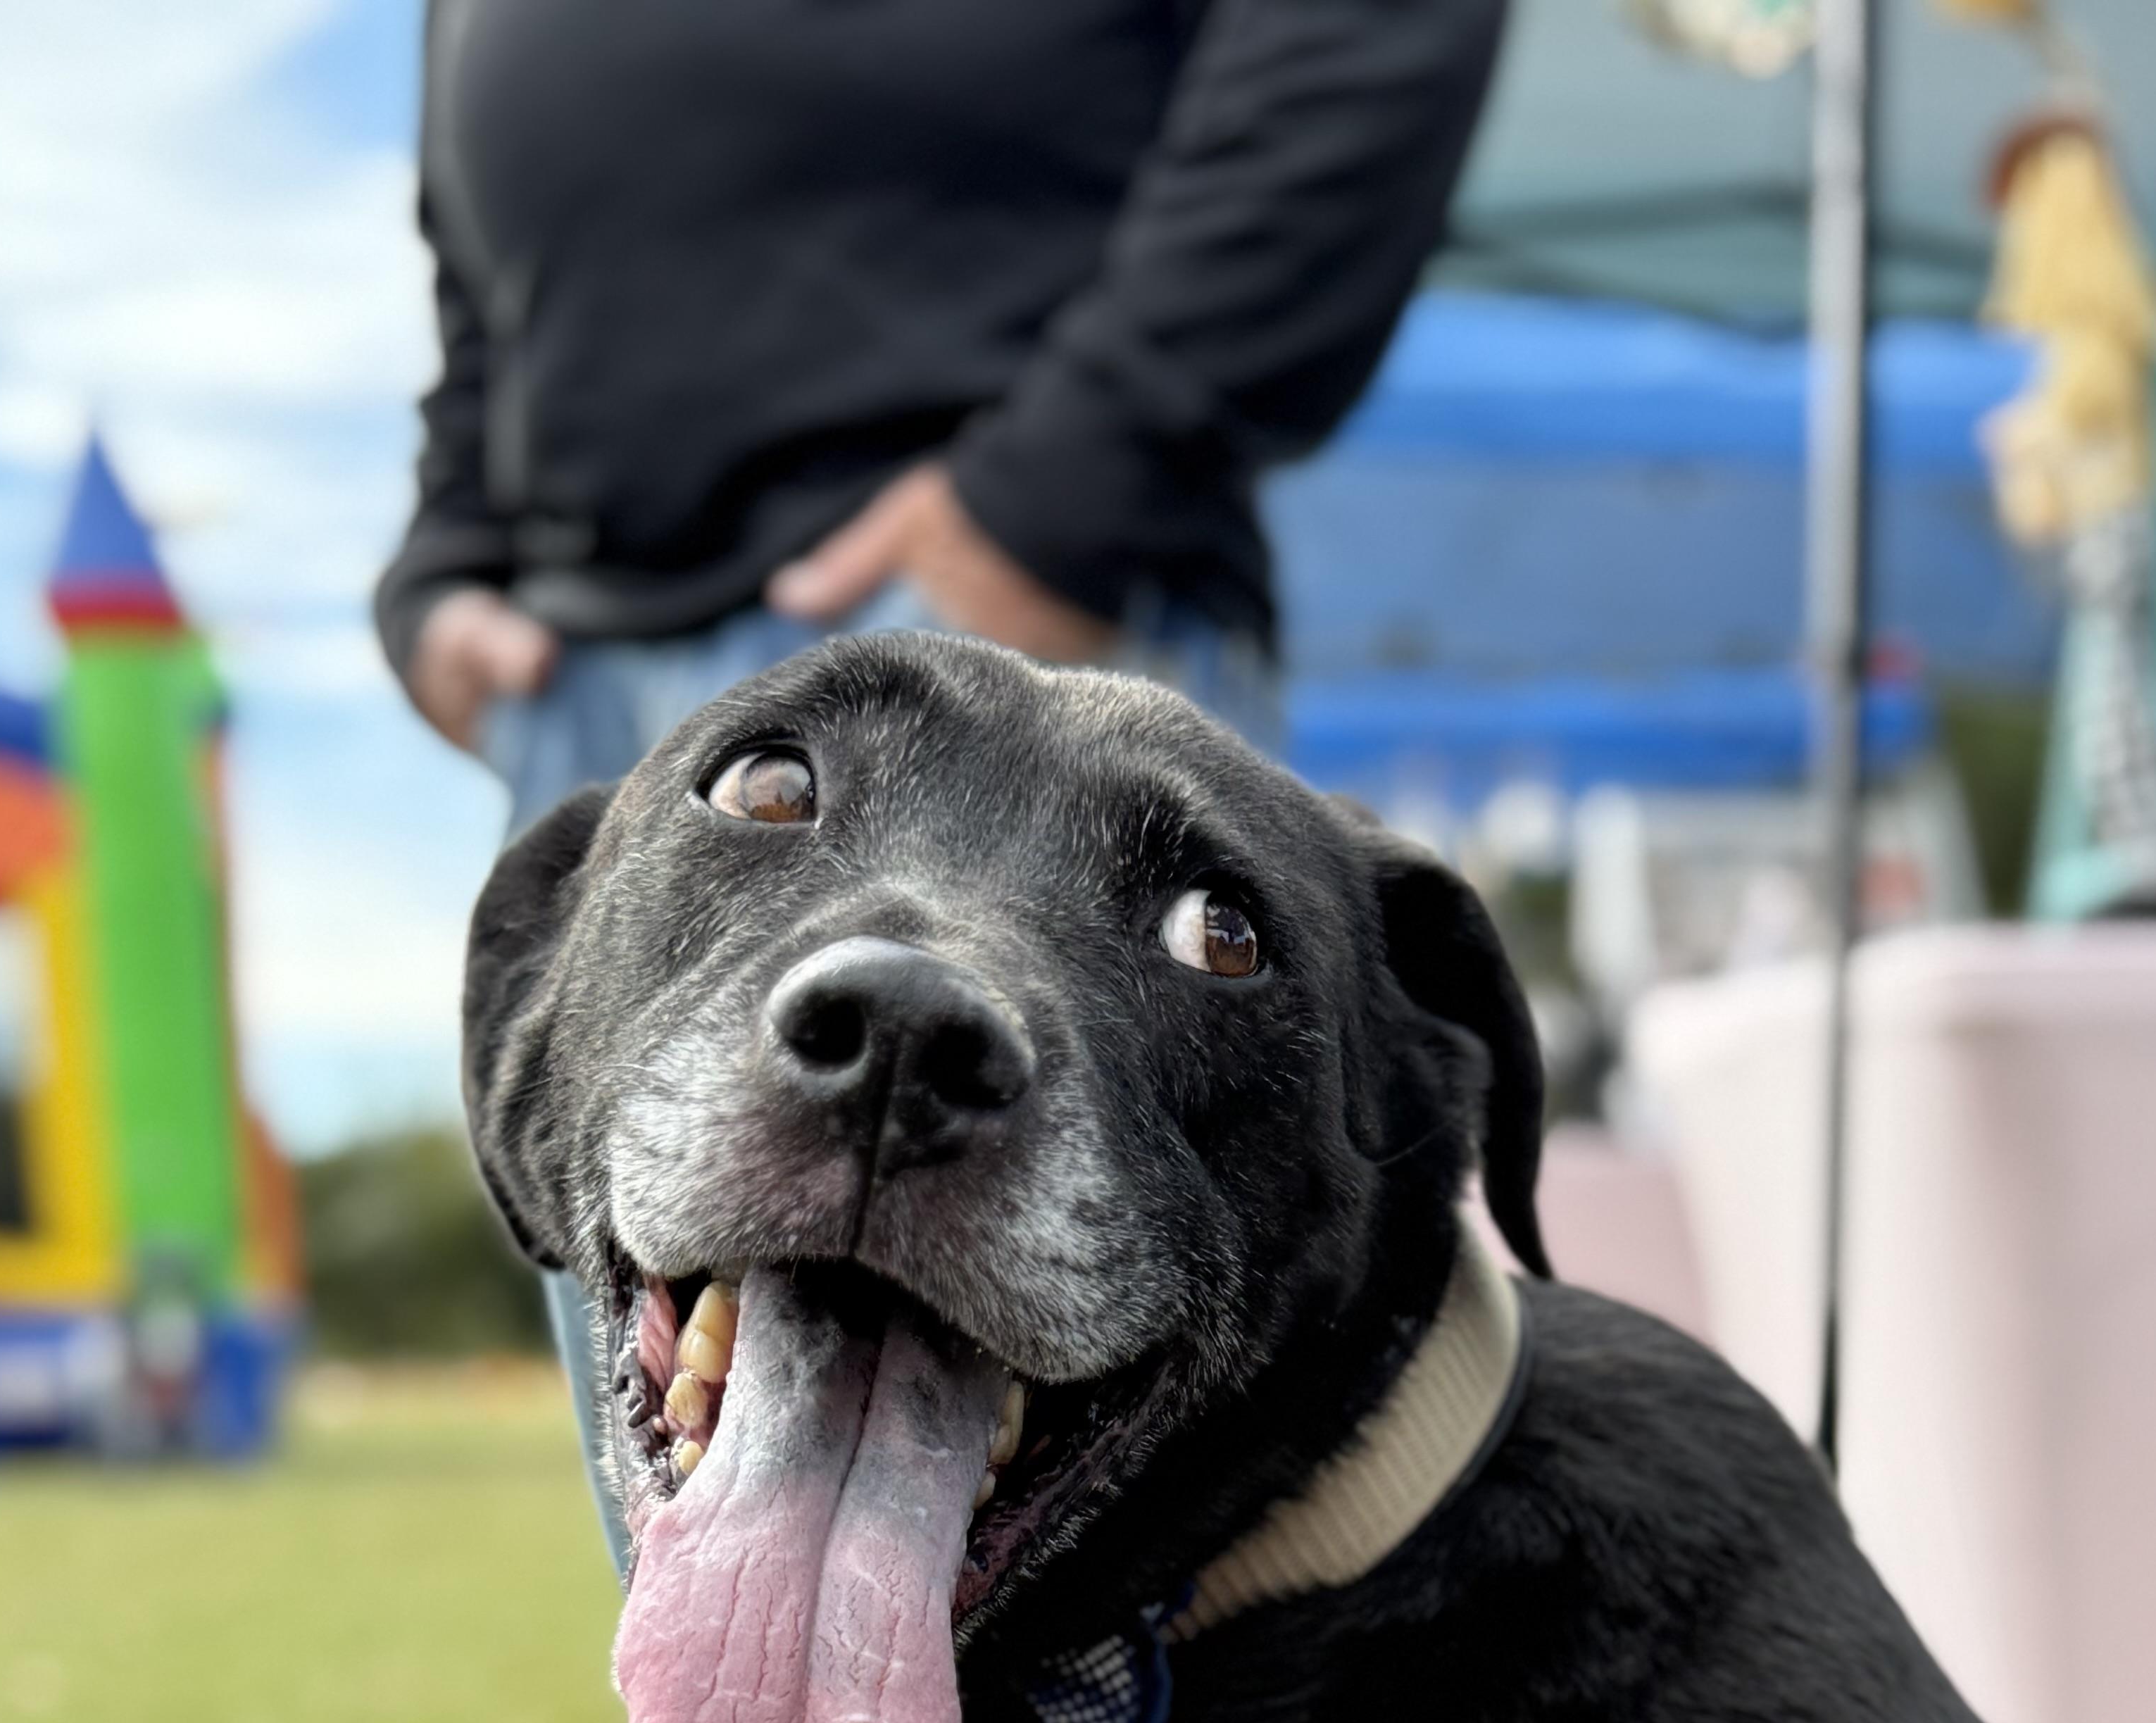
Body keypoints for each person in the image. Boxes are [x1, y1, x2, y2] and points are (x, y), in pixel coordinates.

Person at [382, 0, 1507, 1533]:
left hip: (1024, 598)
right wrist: (442, 563)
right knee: (692, 1473)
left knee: (1164, 1558)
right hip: (577, 671)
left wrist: (1076, 477)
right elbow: (475, 256)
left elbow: (1366, 40)